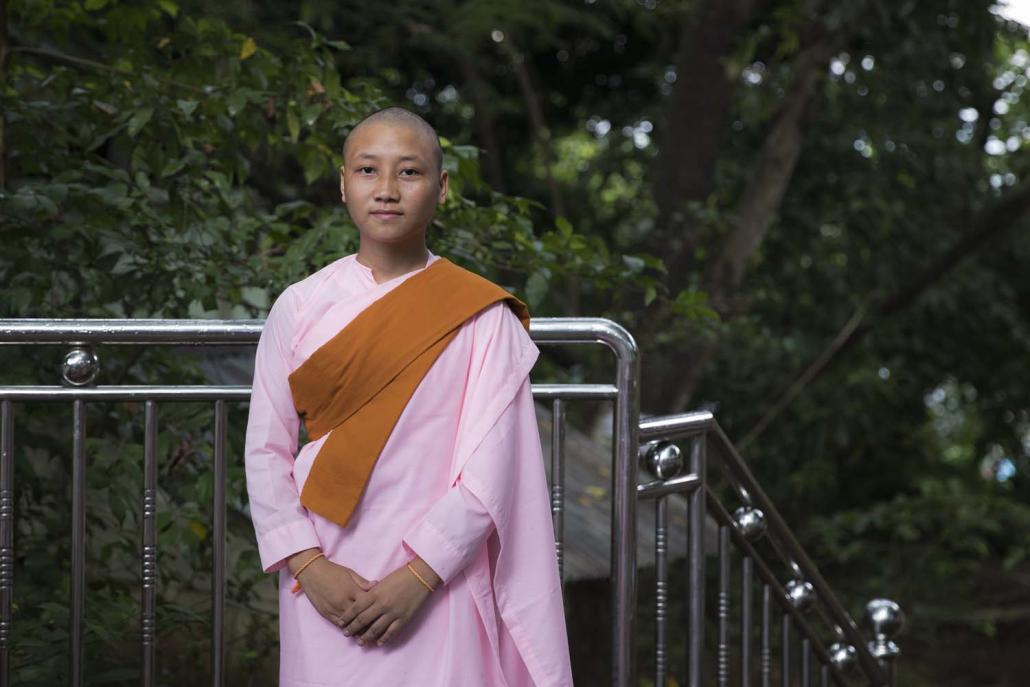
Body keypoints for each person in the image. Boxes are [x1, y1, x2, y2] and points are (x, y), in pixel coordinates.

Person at [244, 106, 573, 686]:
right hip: (322, 573)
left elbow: (493, 469)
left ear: (441, 188)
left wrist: (419, 575)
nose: (387, 190)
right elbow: (265, 452)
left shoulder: (481, 316)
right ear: (343, 183)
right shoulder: (299, 307)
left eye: (410, 172)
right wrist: (308, 563)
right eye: (368, 170)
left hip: (439, 577)